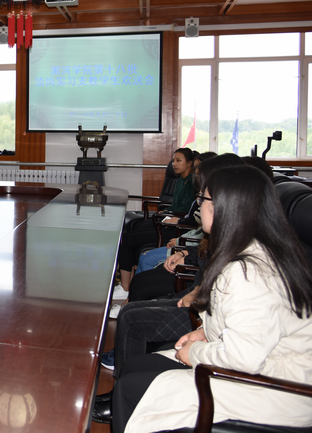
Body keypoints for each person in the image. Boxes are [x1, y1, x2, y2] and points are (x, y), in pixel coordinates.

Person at [111, 165, 312, 433]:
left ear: (221, 207)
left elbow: (244, 358)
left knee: (129, 389)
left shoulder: (249, 273)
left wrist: (194, 352)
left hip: (274, 389)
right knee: (135, 367)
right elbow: (254, 326)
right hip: (259, 365)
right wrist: (204, 333)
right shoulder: (255, 247)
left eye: (202, 199)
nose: (199, 205)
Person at [116, 147, 197, 293]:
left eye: (178, 160)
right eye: (173, 161)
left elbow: (186, 211)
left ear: (190, 163)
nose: (174, 164)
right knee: (133, 232)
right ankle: (127, 283)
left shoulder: (192, 182)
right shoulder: (180, 180)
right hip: (169, 220)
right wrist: (167, 211)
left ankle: (126, 286)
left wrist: (172, 216)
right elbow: (176, 205)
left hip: (176, 228)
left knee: (126, 240)